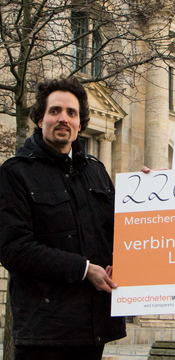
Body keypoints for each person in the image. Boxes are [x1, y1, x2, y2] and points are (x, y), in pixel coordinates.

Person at [0, 78, 126, 360]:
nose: (63, 119)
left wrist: (149, 189)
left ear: (80, 123)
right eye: (55, 111)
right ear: (39, 118)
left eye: (72, 113)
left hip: (93, 328)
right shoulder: (15, 173)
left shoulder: (96, 171)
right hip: (44, 332)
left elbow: (126, 233)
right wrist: (84, 269)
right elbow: (13, 249)